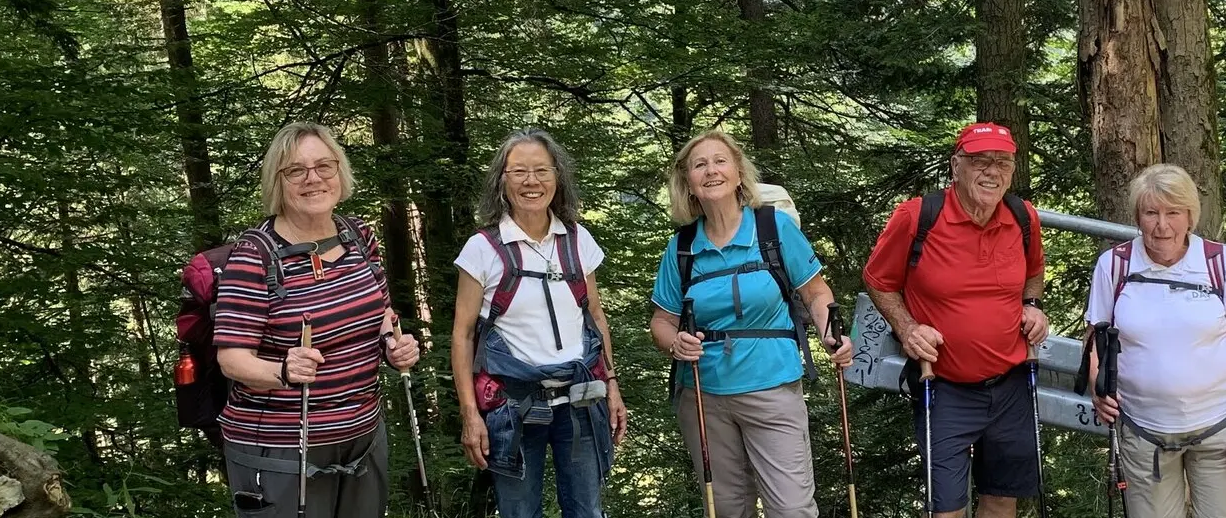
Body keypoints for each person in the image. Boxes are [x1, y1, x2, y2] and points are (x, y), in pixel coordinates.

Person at [212, 122, 422, 518]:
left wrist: (394, 346)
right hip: (281, 446)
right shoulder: (254, 256)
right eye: (296, 171)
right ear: (278, 182)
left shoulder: (359, 236)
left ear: (339, 172)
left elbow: (382, 315)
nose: (313, 179)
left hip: (362, 435)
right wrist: (285, 370)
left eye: (324, 166)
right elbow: (232, 360)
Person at [649, 130, 854, 518]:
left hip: (773, 388)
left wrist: (833, 336)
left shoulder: (773, 229)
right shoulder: (681, 248)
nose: (711, 170)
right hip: (703, 396)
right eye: (700, 164)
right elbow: (662, 320)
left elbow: (816, 294)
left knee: (792, 509)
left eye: (720, 161)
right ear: (688, 182)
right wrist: (675, 342)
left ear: (740, 173)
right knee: (726, 509)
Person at [862, 122, 1048, 518]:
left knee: (1001, 500)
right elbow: (878, 279)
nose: (992, 172)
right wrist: (907, 328)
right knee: (946, 508)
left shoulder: (1022, 217)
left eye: (1003, 162)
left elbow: (1034, 270)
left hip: (1010, 383)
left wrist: (1032, 304)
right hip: (943, 386)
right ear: (956, 166)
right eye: (980, 161)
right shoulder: (918, 217)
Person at [451, 130, 625, 518]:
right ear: (502, 181)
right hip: (512, 406)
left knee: (587, 512)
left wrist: (612, 386)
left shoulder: (577, 240)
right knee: (518, 513)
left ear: (557, 178)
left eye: (542, 171)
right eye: (519, 172)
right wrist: (470, 414)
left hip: (580, 401)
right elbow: (463, 335)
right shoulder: (482, 248)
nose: (532, 182)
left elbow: (594, 316)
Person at [1086, 164, 1226, 518]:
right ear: (1138, 217)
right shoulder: (1115, 266)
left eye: (1173, 213)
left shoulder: (1220, 263)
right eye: (1151, 213)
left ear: (1190, 216)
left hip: (1220, 430)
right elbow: (1094, 340)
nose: (1162, 225)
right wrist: (1097, 385)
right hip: (1143, 431)